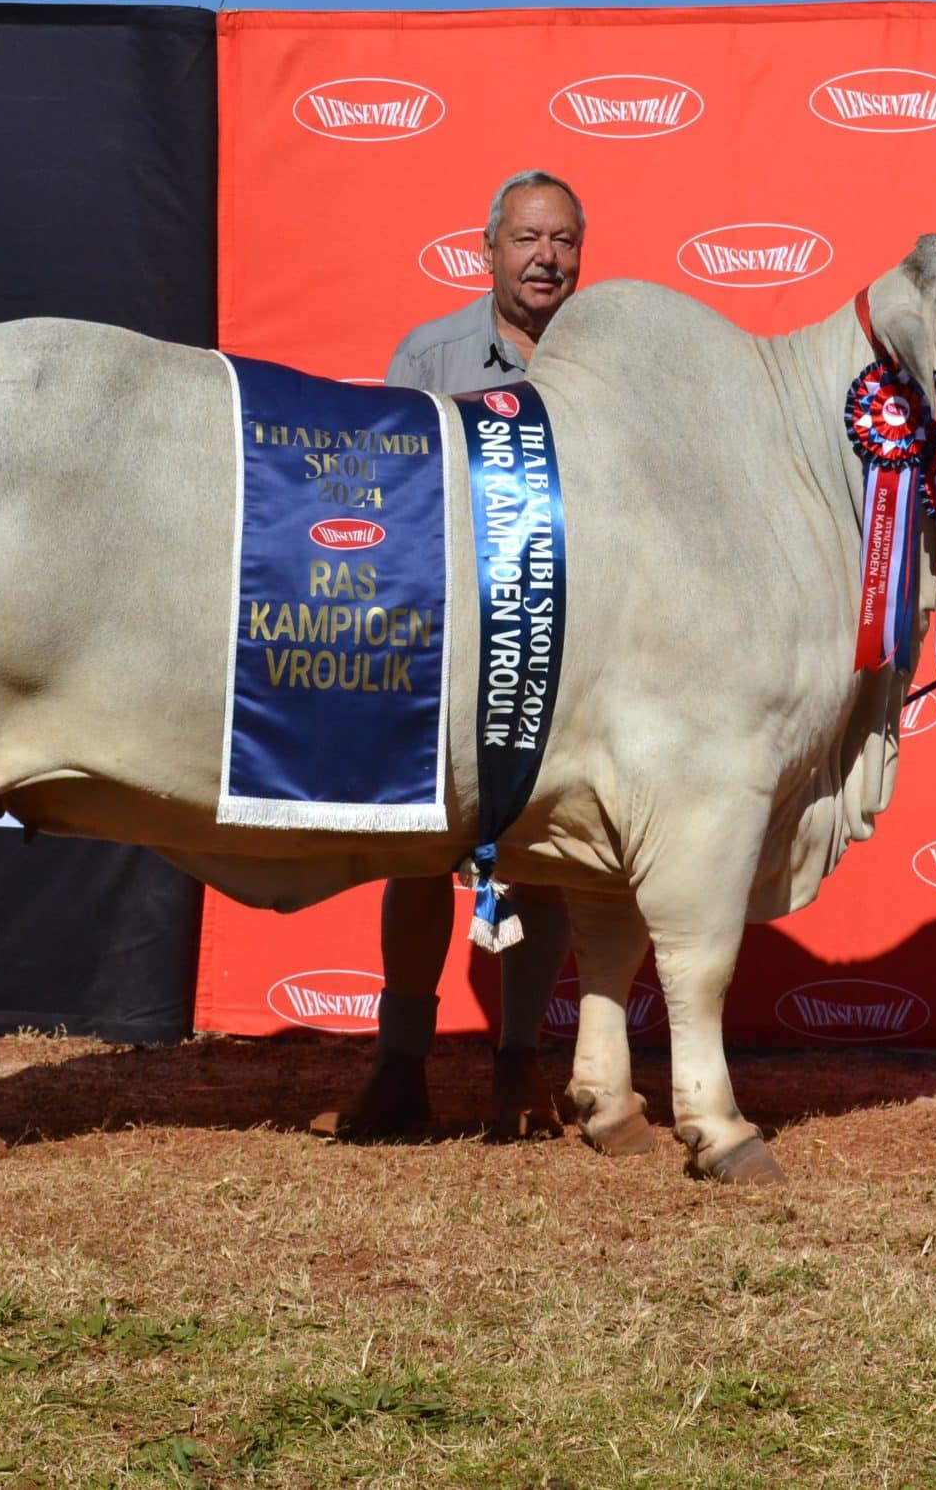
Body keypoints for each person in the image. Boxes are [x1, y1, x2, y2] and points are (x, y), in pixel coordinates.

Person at [313, 169, 586, 1142]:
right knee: (418, 852)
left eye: (561, 240)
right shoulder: (429, 354)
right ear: (489, 249)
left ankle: (520, 1064)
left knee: (546, 852)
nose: (544, 257)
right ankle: (399, 1063)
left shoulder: (607, 357)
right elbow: (381, 502)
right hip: (447, 647)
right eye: (526, 238)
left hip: (572, 646)